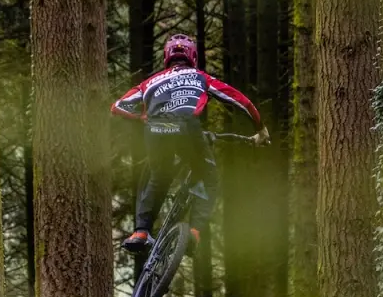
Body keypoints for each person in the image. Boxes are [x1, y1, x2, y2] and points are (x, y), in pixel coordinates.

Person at [111, 33, 269, 253]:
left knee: (159, 175)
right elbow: (239, 100)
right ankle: (193, 233)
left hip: (155, 130)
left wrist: (142, 118)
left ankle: (141, 232)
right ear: (192, 56)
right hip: (186, 127)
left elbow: (118, 106)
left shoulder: (149, 82)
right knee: (208, 175)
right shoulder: (200, 77)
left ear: (167, 56)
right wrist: (260, 128)